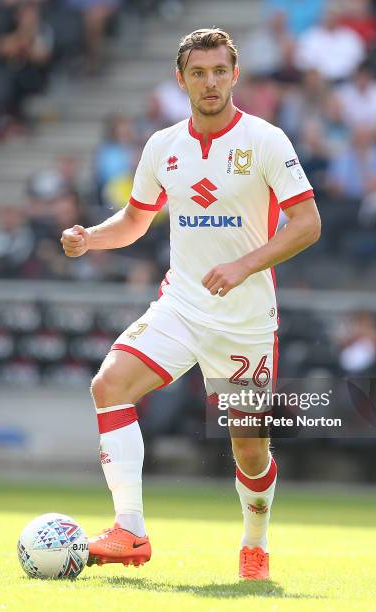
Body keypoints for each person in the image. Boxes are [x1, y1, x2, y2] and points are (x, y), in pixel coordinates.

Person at [60, 28, 321, 581]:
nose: (210, 82)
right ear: (181, 79)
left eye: (219, 71)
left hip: (245, 323)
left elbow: (307, 224)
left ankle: (255, 542)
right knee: (109, 385)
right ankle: (129, 530)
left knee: (249, 451)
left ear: (235, 75)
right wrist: (91, 238)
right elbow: (135, 220)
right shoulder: (163, 147)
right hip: (180, 306)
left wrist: (244, 264)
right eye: (198, 73)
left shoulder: (267, 140)